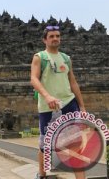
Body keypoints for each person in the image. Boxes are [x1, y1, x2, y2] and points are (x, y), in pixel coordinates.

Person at [30, 25, 86, 179]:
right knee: (45, 145)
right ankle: (41, 174)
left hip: (69, 103)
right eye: (51, 36)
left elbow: (73, 82)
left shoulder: (66, 59)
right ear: (44, 40)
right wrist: (47, 96)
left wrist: (82, 106)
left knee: (75, 144)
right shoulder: (39, 57)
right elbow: (34, 79)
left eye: (57, 36)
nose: (55, 39)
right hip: (48, 107)